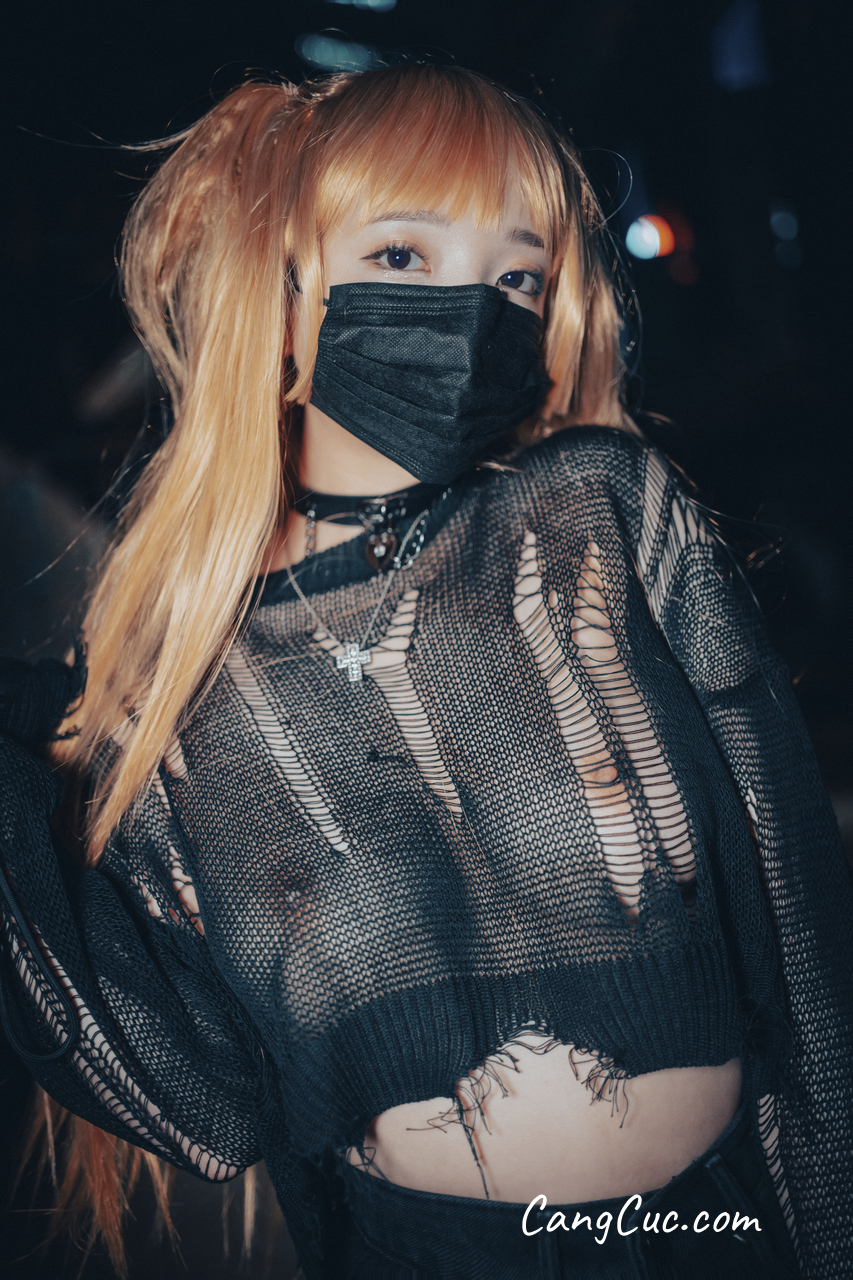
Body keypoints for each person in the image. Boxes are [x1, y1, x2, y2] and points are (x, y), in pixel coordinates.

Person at [0, 62, 850, 1280]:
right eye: (401, 254)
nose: (471, 311)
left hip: (703, 1233)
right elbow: (203, 1101)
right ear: (281, 289)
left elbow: (798, 916)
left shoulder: (600, 518)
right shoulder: (182, 671)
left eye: (516, 277)